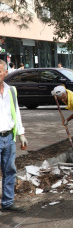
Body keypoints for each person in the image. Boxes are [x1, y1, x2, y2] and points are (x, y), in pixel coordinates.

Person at [0, 59, 28, 212]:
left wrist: (21, 134)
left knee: (10, 170)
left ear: (5, 73)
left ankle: (8, 202)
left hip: (9, 137)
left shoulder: (11, 90)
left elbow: (16, 112)